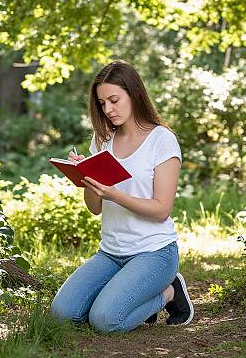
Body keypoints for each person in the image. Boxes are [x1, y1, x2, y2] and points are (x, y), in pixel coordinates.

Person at [50, 60, 194, 333]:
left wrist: (114, 194)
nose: (108, 109)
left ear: (134, 94)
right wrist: (86, 178)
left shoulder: (161, 140)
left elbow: (161, 209)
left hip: (154, 253)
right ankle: (131, 297)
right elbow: (95, 208)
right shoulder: (103, 140)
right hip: (111, 253)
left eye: (114, 100)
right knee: (62, 314)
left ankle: (169, 292)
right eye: (102, 103)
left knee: (105, 321)